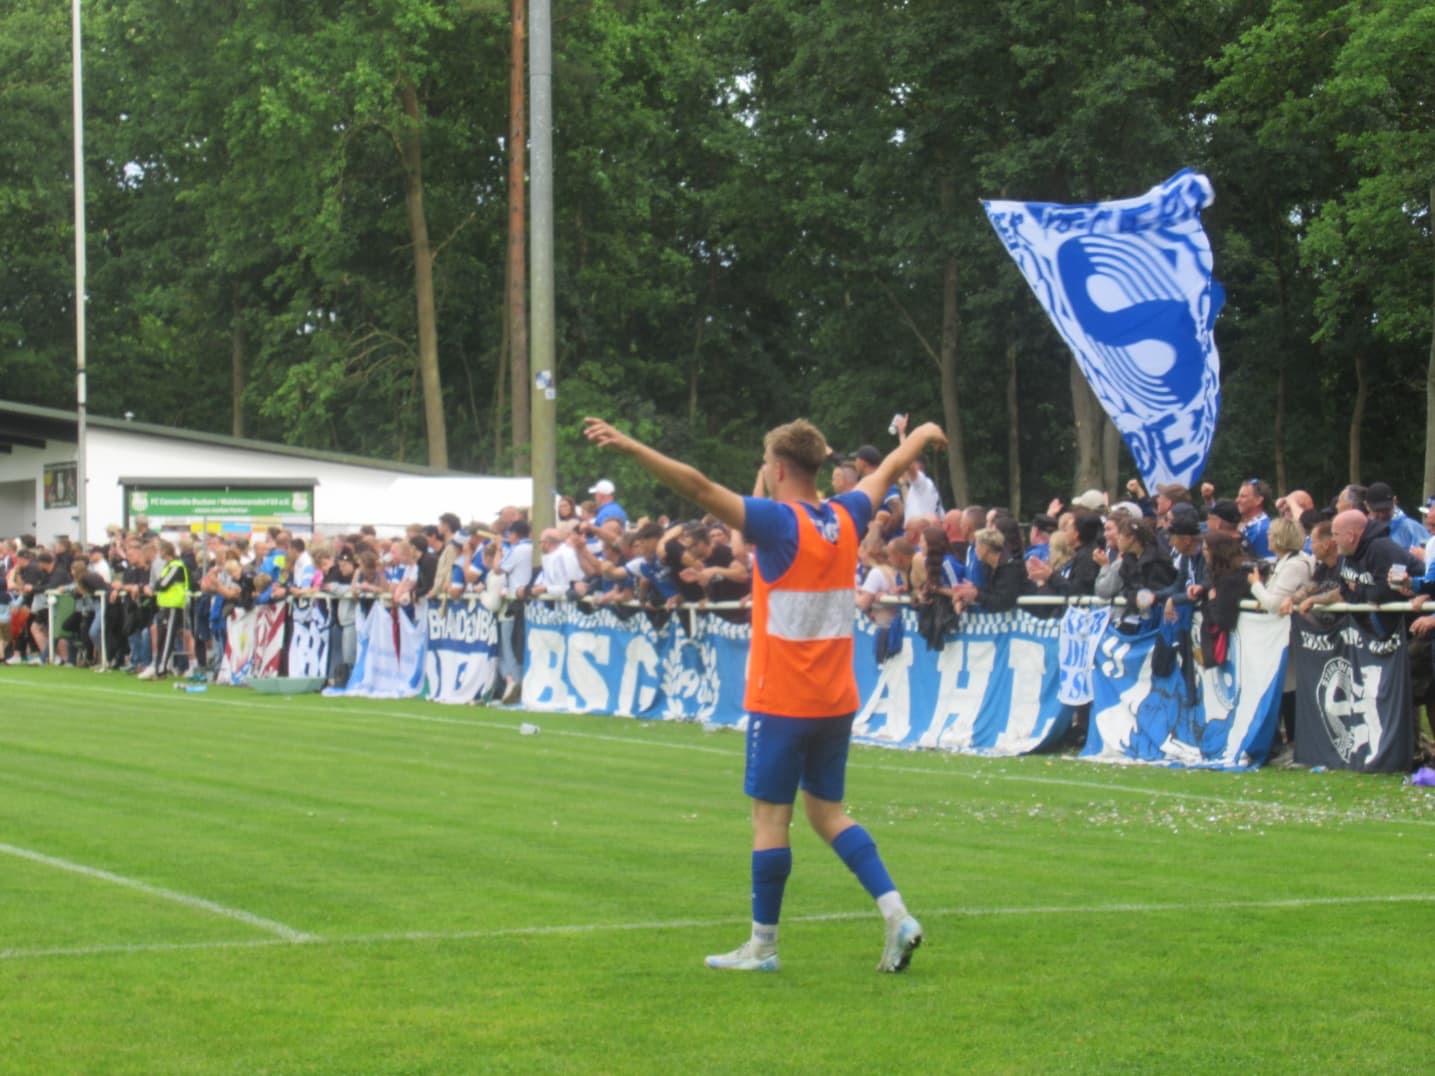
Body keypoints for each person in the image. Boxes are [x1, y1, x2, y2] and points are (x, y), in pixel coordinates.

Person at [584, 413, 944, 974]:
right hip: (836, 699)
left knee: (770, 819)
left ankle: (763, 946)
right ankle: (896, 914)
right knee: (827, 814)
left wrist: (631, 447)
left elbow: (698, 486)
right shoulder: (845, 513)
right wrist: (920, 434)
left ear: (777, 470)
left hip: (783, 700)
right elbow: (890, 468)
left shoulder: (778, 522)